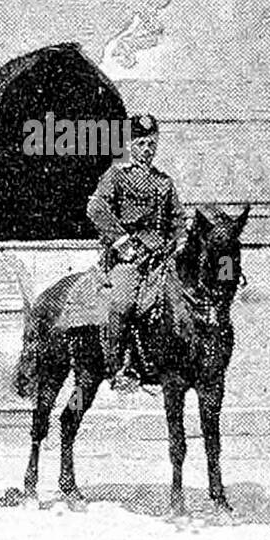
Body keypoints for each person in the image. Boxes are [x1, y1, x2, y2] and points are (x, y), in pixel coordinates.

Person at [86, 113, 187, 391]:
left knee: (177, 303)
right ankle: (116, 368)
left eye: (151, 144)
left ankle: (161, 365)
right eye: (141, 143)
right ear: (130, 145)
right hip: (129, 257)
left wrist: (181, 243)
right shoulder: (116, 176)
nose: (147, 150)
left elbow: (178, 220)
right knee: (123, 303)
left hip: (161, 259)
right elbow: (95, 208)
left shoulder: (164, 182)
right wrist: (123, 244)